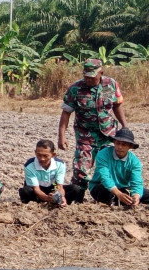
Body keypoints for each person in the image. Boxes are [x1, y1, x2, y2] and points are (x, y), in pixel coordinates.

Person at [58, 58, 127, 193]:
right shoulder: (75, 89)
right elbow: (66, 113)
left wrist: (125, 126)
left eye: (92, 77)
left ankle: (107, 196)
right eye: (86, 76)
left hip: (108, 134)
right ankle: (78, 198)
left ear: (101, 72)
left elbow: (117, 106)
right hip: (85, 135)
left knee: (108, 167)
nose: (88, 80)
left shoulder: (111, 84)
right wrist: (62, 136)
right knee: (81, 169)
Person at [89, 128, 148, 207]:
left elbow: (136, 182)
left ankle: (124, 201)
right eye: (118, 143)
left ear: (130, 146)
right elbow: (105, 178)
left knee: (144, 194)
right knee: (104, 191)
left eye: (124, 144)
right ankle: (118, 201)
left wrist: (136, 196)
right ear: (114, 142)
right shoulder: (103, 154)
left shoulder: (135, 162)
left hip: (123, 189)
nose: (120, 147)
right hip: (102, 187)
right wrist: (118, 194)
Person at [19, 139, 84, 206]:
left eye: (45, 156)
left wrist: (61, 196)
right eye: (39, 155)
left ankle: (61, 203)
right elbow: (36, 189)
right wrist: (47, 198)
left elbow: (59, 186)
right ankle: (40, 203)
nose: (42, 159)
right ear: (35, 152)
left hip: (53, 189)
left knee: (75, 189)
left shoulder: (60, 164)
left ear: (53, 155)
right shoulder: (29, 165)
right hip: (37, 191)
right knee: (25, 191)